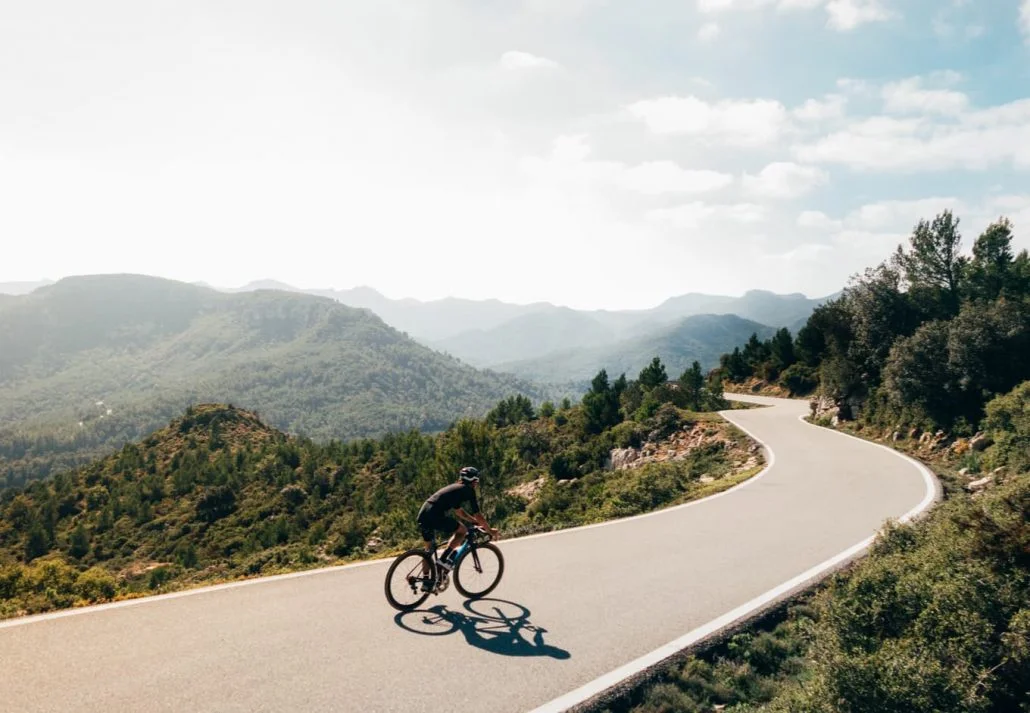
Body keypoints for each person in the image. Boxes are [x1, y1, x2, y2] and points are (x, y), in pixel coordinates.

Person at [417, 466, 499, 570]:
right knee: (462, 531)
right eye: (476, 481)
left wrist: (475, 522)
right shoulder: (469, 490)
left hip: (423, 513)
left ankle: (426, 582)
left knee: (428, 550)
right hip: (434, 515)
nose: (476, 484)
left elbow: (459, 512)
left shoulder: (455, 488)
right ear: (473, 481)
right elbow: (478, 515)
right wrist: (490, 530)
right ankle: (443, 560)